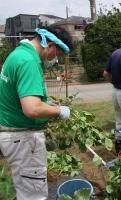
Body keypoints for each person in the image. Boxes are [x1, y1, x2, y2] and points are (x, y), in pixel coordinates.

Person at [0, 26, 73, 200]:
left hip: (14, 135)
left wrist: (44, 103)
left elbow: (22, 97)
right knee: (33, 194)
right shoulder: (28, 62)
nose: (55, 59)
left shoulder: (19, 54)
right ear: (50, 45)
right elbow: (32, 109)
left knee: (26, 189)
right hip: (23, 139)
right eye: (57, 54)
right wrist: (58, 111)